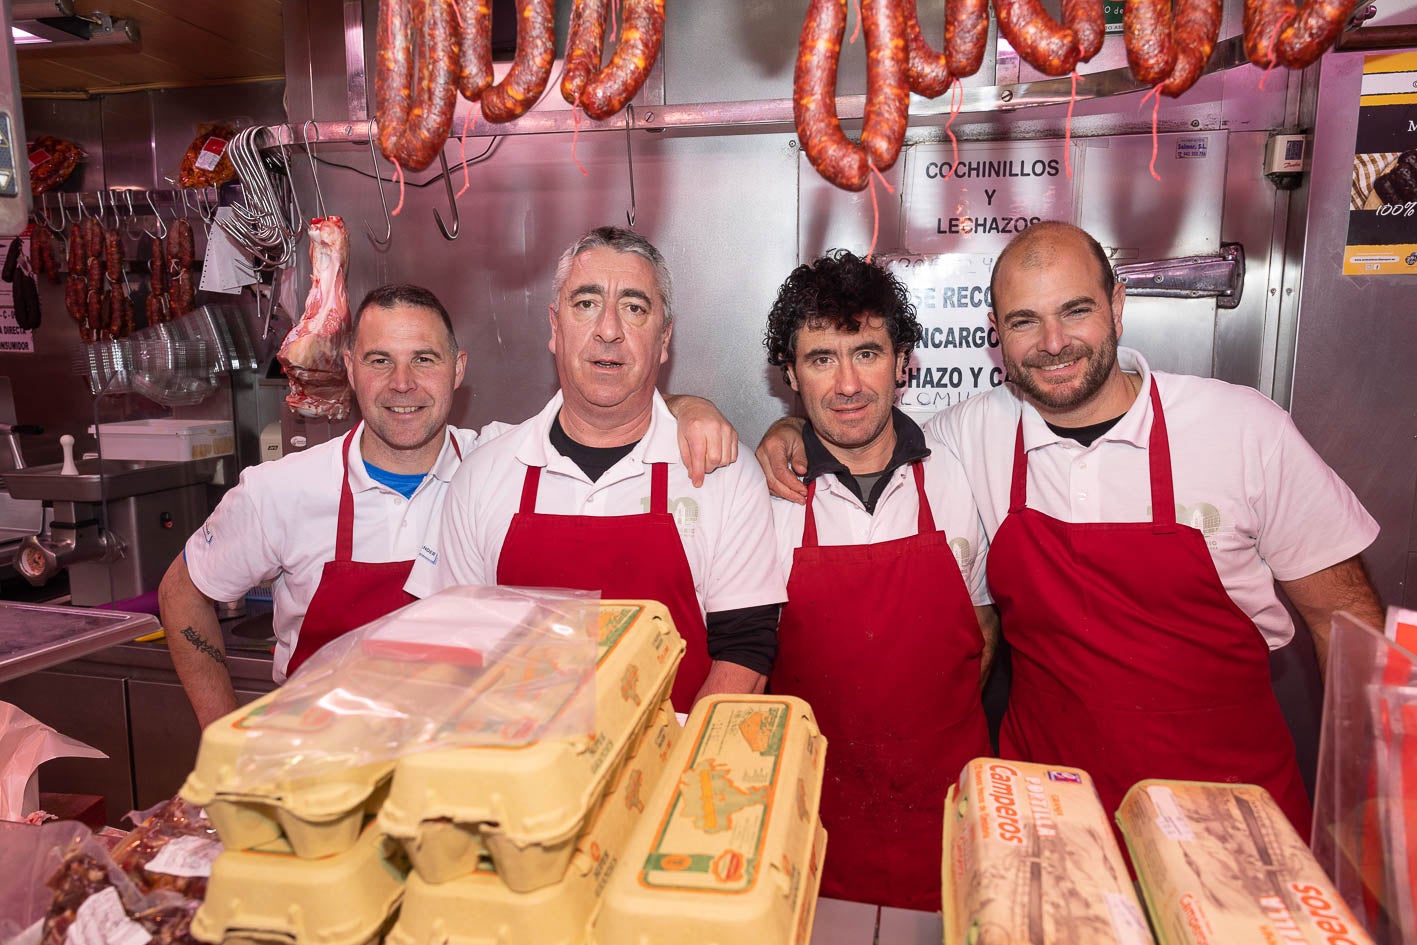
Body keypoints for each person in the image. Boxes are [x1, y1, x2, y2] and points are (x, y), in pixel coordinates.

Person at [758, 222, 1384, 840]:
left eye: (1075, 310)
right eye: (1025, 321)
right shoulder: (969, 435)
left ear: (1116, 307)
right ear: (996, 336)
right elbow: (860, 421)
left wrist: (1365, 810)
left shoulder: (1244, 429)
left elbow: (1346, 622)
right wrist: (785, 434)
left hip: (1230, 817)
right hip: (1048, 820)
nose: (1053, 343)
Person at [160, 283, 739, 729]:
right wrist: (222, 739)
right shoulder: (279, 490)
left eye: (426, 360)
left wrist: (690, 406)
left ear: (458, 370)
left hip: (458, 769)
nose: (403, 383)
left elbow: (607, 416)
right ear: (350, 368)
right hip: (317, 766)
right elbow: (182, 592)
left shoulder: (502, 464)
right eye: (380, 359)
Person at [406, 227, 785, 711]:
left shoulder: (724, 475)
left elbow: (745, 651)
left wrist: (678, 768)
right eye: (586, 303)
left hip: (673, 774)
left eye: (634, 307)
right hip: (520, 772)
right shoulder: (483, 476)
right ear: (554, 326)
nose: (609, 330)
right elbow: (453, 643)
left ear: (664, 339)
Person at [762, 250, 995, 911]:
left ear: (902, 363)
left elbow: (982, 628)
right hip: (809, 824)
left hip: (945, 817)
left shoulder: (960, 473)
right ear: (789, 374)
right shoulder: (761, 498)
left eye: (865, 352)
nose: (846, 384)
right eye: (819, 358)